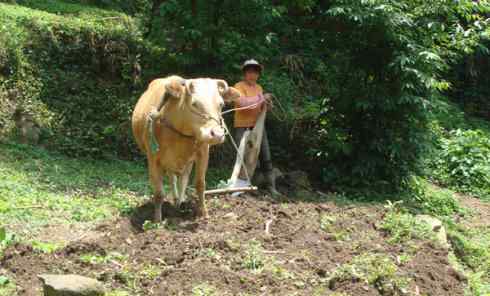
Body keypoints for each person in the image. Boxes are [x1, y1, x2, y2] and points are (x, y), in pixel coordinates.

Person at [232, 59, 279, 196]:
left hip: (258, 127)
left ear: (258, 74)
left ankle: (271, 187)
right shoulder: (238, 87)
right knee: (243, 158)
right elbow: (244, 103)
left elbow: (259, 107)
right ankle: (239, 190)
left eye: (255, 72)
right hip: (242, 127)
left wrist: (267, 105)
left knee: (265, 156)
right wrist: (261, 98)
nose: (252, 75)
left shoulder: (259, 88)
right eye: (249, 72)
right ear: (245, 73)